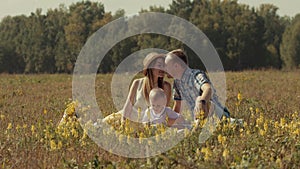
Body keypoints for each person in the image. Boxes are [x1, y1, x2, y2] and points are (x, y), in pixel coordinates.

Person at [103, 52, 172, 124]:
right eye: (159, 65)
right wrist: (123, 122)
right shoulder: (137, 83)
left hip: (148, 123)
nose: (163, 68)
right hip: (129, 118)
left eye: (164, 66)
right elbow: (128, 106)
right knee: (100, 124)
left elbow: (163, 111)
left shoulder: (166, 86)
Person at [164, 49, 231, 121]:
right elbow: (177, 106)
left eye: (166, 66)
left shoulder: (195, 75)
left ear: (176, 66)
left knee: (199, 100)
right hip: (200, 120)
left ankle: (231, 122)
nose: (164, 69)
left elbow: (208, 89)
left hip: (219, 115)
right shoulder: (177, 83)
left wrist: (202, 101)